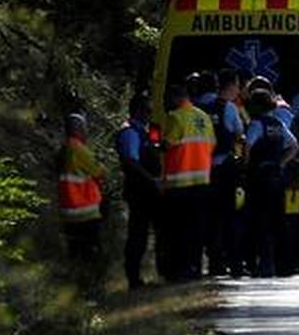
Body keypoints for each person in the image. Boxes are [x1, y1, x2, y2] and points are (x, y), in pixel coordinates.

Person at [160, 82, 214, 280]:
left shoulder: (175, 117)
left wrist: (157, 144)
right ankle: (196, 268)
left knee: (179, 230)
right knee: (197, 228)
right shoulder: (203, 117)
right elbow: (211, 144)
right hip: (202, 181)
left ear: (176, 98)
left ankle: (180, 270)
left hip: (179, 184)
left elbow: (167, 144)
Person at [243, 88, 296, 278]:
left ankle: (265, 264)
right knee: (279, 221)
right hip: (276, 176)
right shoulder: (278, 123)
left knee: (261, 221)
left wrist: (246, 166)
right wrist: (280, 163)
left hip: (259, 177)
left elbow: (248, 146)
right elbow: (294, 146)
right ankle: (285, 265)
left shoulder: (257, 124)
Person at [115, 94, 162, 288]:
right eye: (147, 110)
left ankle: (159, 274)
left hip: (149, 191)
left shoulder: (144, 132)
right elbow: (131, 161)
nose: (149, 115)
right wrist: (151, 180)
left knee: (155, 233)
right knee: (138, 235)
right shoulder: (130, 133)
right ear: (138, 111)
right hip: (139, 191)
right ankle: (134, 278)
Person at [207, 69, 247, 277]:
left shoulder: (196, 106)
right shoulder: (229, 108)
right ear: (228, 86)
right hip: (225, 169)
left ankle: (213, 263)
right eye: (237, 85)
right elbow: (239, 134)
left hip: (199, 171)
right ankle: (234, 263)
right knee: (230, 216)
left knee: (208, 219)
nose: (239, 89)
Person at [57, 113, 107, 277]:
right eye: (84, 128)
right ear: (78, 129)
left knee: (75, 253)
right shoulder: (78, 148)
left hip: (67, 212)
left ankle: (79, 288)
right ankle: (94, 287)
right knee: (92, 251)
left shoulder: (62, 150)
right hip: (85, 211)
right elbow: (99, 171)